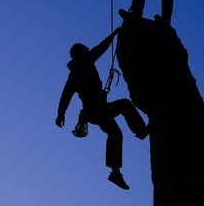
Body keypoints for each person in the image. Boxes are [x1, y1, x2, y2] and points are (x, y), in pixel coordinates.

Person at [56, 30, 148, 190]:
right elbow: (101, 47)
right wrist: (114, 35)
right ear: (81, 52)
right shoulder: (85, 62)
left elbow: (66, 96)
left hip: (95, 112)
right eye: (85, 47)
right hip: (97, 110)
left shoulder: (75, 72)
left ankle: (115, 173)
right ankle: (140, 130)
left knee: (115, 133)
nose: (88, 48)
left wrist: (61, 114)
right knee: (124, 106)